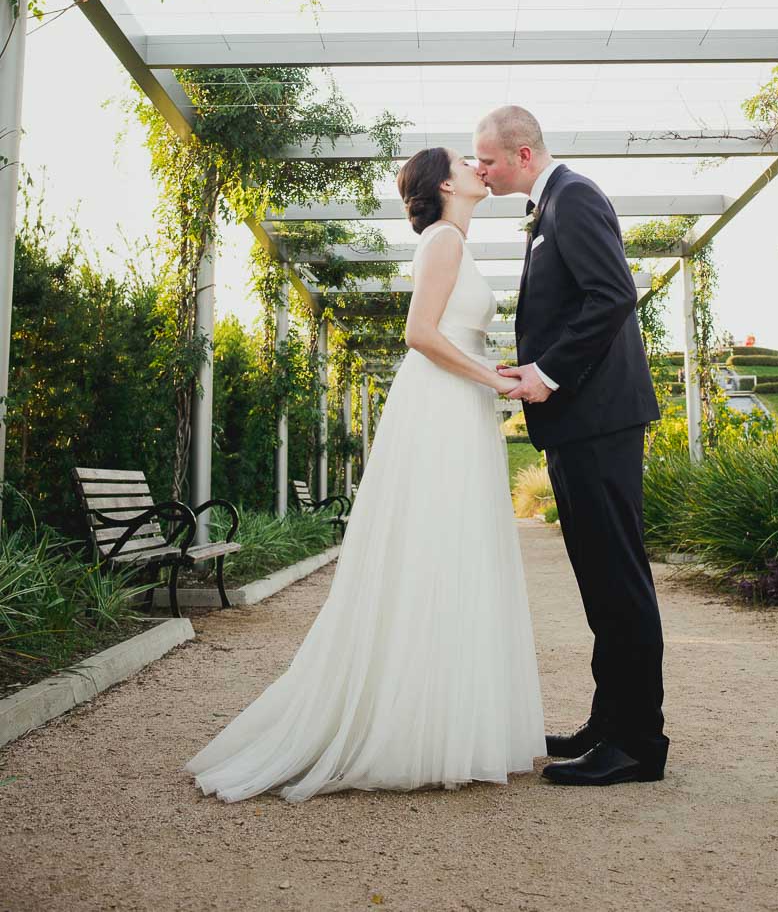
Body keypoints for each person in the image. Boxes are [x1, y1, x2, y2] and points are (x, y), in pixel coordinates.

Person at [184, 147, 545, 801]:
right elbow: (421, 333)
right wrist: (494, 377)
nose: (478, 166)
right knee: (437, 547)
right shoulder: (443, 241)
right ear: (446, 183)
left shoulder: (454, 242)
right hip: (442, 400)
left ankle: (445, 721)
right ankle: (417, 726)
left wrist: (495, 375)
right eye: (468, 161)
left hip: (458, 399)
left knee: (454, 551)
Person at [474, 106, 669, 788]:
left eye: (488, 160)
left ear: (523, 154)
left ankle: (640, 743)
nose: (480, 169)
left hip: (597, 419)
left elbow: (613, 295)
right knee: (600, 582)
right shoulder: (548, 204)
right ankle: (608, 723)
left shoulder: (574, 196)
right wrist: (530, 370)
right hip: (581, 423)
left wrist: (548, 373)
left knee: (618, 580)